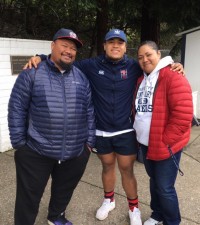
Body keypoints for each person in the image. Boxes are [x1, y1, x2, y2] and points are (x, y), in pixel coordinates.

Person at [24, 29, 184, 225]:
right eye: (111, 42)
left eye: (120, 42)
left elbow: (156, 68)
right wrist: (41, 58)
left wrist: (174, 65)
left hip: (125, 130)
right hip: (101, 130)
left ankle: (133, 207)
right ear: (105, 45)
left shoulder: (135, 66)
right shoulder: (91, 65)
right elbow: (64, 60)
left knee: (127, 170)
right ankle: (109, 200)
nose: (115, 46)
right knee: (107, 166)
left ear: (125, 47)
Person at [8, 28, 96, 225]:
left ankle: (56, 216)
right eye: (65, 45)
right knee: (28, 197)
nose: (69, 51)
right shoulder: (32, 73)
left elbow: (89, 111)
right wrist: (20, 144)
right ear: (52, 46)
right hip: (36, 150)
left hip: (74, 152)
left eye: (73, 48)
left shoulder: (81, 78)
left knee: (64, 190)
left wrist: (88, 144)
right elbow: (16, 108)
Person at [133, 41, 193, 225]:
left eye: (148, 55)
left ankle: (172, 221)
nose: (145, 59)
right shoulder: (141, 79)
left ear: (158, 54)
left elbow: (183, 115)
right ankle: (157, 214)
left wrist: (166, 141)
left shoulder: (172, 75)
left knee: (165, 187)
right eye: (140, 57)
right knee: (154, 181)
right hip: (145, 142)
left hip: (165, 145)